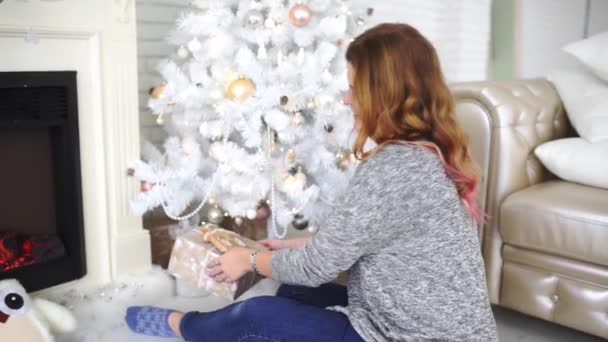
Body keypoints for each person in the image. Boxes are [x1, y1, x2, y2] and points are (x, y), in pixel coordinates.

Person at [125, 23, 498, 341]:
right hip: (421, 321)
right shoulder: (424, 152)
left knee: (258, 314)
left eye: (355, 88)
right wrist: (295, 246)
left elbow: (314, 267)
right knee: (293, 290)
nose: (348, 99)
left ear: (382, 94)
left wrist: (250, 259)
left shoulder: (397, 166)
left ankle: (186, 326)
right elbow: (372, 237)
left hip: (409, 335)